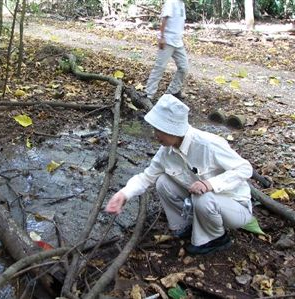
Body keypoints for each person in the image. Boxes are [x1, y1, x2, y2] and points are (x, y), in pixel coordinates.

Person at [105, 94, 253, 255]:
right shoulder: (166, 152)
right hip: (203, 202)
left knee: (202, 197)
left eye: (159, 130)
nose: (156, 134)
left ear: (173, 129)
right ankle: (185, 226)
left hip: (235, 206)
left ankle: (216, 238)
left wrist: (210, 184)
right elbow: (146, 177)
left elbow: (245, 169)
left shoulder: (207, 144)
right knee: (162, 181)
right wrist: (123, 194)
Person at [146, 0, 189, 101]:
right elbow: (164, 20)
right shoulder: (171, 2)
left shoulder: (182, 4)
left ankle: (173, 91)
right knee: (159, 68)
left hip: (178, 42)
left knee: (184, 67)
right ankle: (148, 95)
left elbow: (179, 23)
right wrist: (161, 37)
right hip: (167, 40)